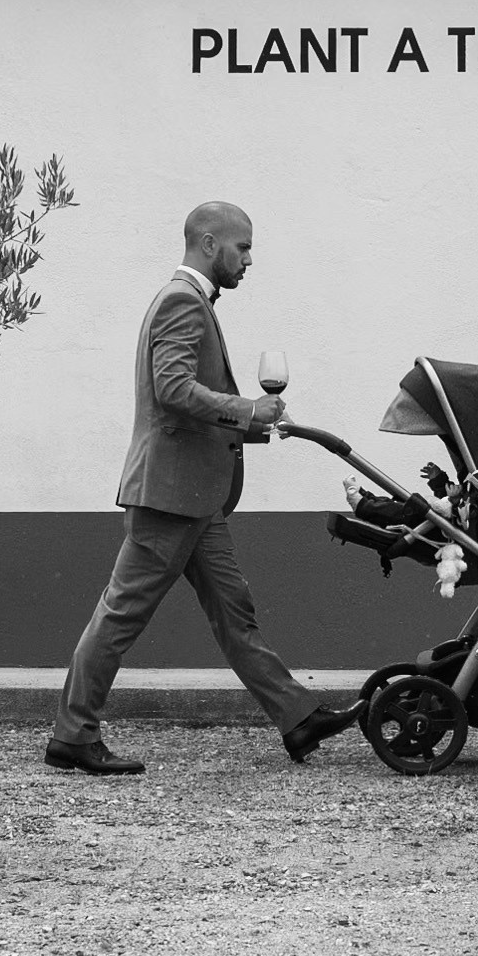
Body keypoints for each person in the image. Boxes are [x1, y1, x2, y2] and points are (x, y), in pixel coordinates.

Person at [46, 201, 362, 775]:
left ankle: (298, 717)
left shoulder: (188, 302)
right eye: (243, 248)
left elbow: (188, 400)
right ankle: (72, 734)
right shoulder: (180, 302)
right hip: (170, 498)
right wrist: (247, 409)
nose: (248, 260)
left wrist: (253, 425)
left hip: (197, 499)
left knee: (234, 610)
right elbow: (172, 388)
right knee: (121, 616)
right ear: (210, 243)